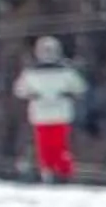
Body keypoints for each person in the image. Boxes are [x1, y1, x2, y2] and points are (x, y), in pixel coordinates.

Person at [13, 35, 89, 183]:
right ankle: (60, 172)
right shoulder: (66, 71)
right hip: (59, 113)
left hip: (42, 114)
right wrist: (67, 94)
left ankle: (51, 171)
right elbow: (80, 88)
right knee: (58, 145)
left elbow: (19, 90)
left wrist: (33, 95)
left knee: (47, 146)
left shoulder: (32, 72)